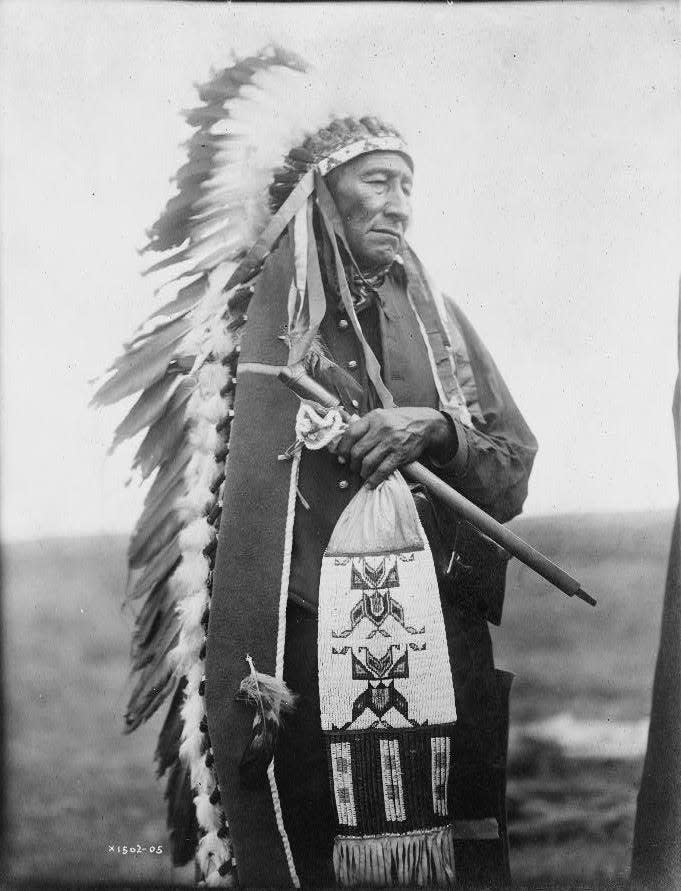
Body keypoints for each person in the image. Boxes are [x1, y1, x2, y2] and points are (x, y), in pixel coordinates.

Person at [97, 49, 537, 888]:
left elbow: (509, 476)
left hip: (441, 636)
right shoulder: (245, 335)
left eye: (407, 184)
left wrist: (438, 431)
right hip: (297, 648)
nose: (399, 204)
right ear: (319, 193)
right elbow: (213, 521)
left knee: (455, 851)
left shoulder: (439, 327)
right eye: (376, 181)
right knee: (311, 851)